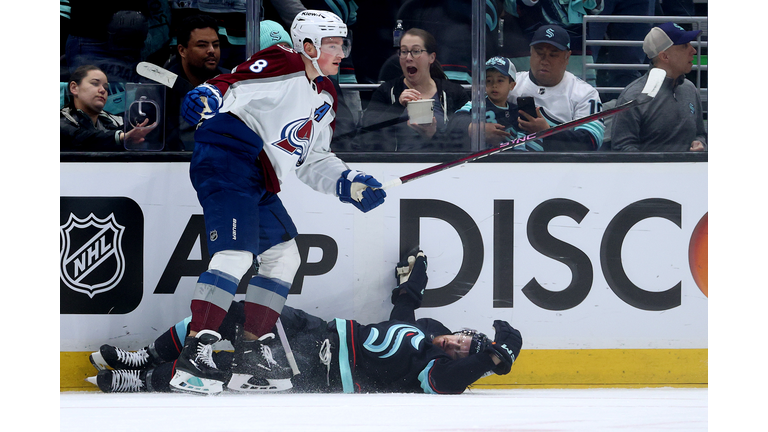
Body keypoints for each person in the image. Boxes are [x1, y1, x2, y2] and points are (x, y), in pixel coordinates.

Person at [167, 10, 387, 395]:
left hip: (260, 174)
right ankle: (195, 355)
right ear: (307, 45)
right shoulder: (283, 61)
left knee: (285, 255)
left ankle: (250, 353)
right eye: (331, 45)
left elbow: (312, 160)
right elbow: (231, 83)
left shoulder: (326, 95)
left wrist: (349, 183)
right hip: (227, 156)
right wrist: (207, 93)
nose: (340, 53)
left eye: (342, 44)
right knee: (235, 254)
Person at [86, 250, 524, 394]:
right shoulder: (428, 332)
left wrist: (497, 359)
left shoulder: (432, 374)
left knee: (224, 370)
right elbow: (402, 315)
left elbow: (452, 384)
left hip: (317, 368)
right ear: (463, 331)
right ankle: (142, 356)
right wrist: (413, 283)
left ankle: (141, 380)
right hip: (319, 328)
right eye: (463, 342)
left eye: (463, 355)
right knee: (239, 311)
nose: (455, 348)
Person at [359, 28, 469, 151]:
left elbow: (466, 142)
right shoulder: (386, 92)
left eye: (416, 51)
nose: (408, 58)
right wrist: (397, 107)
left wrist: (433, 135)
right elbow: (367, 136)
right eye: (404, 51)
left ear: (431, 58)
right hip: (394, 166)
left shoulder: (454, 93)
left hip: (441, 165)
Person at [610, 23, 706, 152]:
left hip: (689, 170)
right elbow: (622, 148)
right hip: (648, 171)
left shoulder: (690, 89)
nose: (693, 50)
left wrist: (700, 143)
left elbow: (700, 133)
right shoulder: (634, 96)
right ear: (664, 56)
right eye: (684, 46)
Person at [508, 24, 605, 151]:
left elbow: (591, 141)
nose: (544, 60)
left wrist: (546, 132)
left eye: (553, 55)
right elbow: (476, 109)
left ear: (567, 57)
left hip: (562, 167)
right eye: (539, 53)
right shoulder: (510, 85)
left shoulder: (585, 94)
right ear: (531, 52)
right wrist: (478, 128)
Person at [61, 65, 155, 151]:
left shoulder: (117, 121)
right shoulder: (60, 121)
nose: (102, 90)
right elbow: (80, 137)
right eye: (95, 83)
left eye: (105, 87)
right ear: (74, 88)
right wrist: (121, 137)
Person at [450, 56, 532, 149]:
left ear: (512, 85)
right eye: (489, 80)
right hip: (482, 161)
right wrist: (478, 129)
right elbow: (455, 121)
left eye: (500, 80)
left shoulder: (517, 111)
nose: (494, 85)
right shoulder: (476, 104)